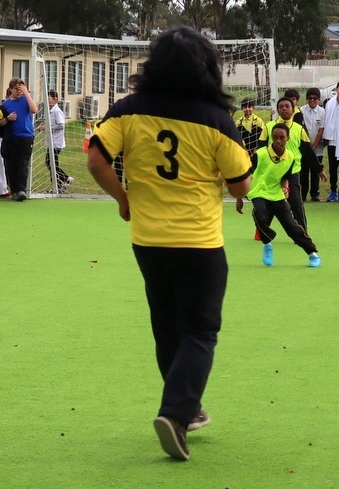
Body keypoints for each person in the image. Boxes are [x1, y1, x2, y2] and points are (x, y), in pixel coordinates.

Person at [86, 27, 252, 461]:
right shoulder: (215, 119)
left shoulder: (128, 110)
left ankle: (189, 407)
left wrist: (123, 199)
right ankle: (175, 414)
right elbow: (240, 186)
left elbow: (95, 158)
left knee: (166, 324)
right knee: (200, 330)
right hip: (198, 241)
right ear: (208, 68)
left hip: (148, 238)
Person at [236, 123, 321, 267]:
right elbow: (245, 174)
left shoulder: (291, 157)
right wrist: (239, 198)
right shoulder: (260, 154)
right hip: (258, 192)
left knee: (292, 226)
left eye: (282, 138)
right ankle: (267, 244)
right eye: (275, 138)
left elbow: (285, 177)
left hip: (276, 194)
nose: (278, 141)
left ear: (288, 138)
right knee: (260, 215)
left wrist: (285, 187)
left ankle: (313, 254)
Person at [258, 97, 324, 229]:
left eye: (287, 106)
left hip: (292, 173)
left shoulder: (299, 129)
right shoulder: (269, 127)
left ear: (293, 109)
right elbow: (261, 149)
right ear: (277, 110)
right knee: (270, 202)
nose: (284, 109)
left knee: (295, 203)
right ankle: (262, 230)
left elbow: (308, 151)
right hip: (272, 173)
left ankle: (302, 231)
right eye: (281, 106)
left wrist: (319, 169)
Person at [2, 77, 38, 201]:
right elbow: (1, 121)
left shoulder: (25, 100)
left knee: (23, 163)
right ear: (10, 89)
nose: (18, 91)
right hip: (12, 137)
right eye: (16, 89)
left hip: (26, 137)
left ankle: (21, 189)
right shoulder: (6, 104)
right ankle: (14, 190)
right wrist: (8, 118)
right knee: (11, 164)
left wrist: (27, 93)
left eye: (20, 89)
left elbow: (34, 110)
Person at [39, 90, 74, 192]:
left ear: (55, 100)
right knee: (52, 164)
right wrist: (45, 128)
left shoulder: (57, 111)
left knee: (50, 163)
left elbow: (61, 125)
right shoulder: (50, 110)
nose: (47, 100)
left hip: (56, 143)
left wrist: (47, 127)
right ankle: (57, 186)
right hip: (51, 142)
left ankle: (66, 179)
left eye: (49, 98)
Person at [300, 87, 325, 201]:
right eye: (310, 98)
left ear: (319, 99)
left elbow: (321, 130)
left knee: (316, 171)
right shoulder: (301, 110)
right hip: (304, 148)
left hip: (317, 147)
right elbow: (302, 128)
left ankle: (315, 194)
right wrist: (308, 146)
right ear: (306, 99)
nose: (312, 101)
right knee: (303, 172)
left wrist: (314, 146)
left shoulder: (322, 112)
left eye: (315, 98)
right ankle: (303, 194)